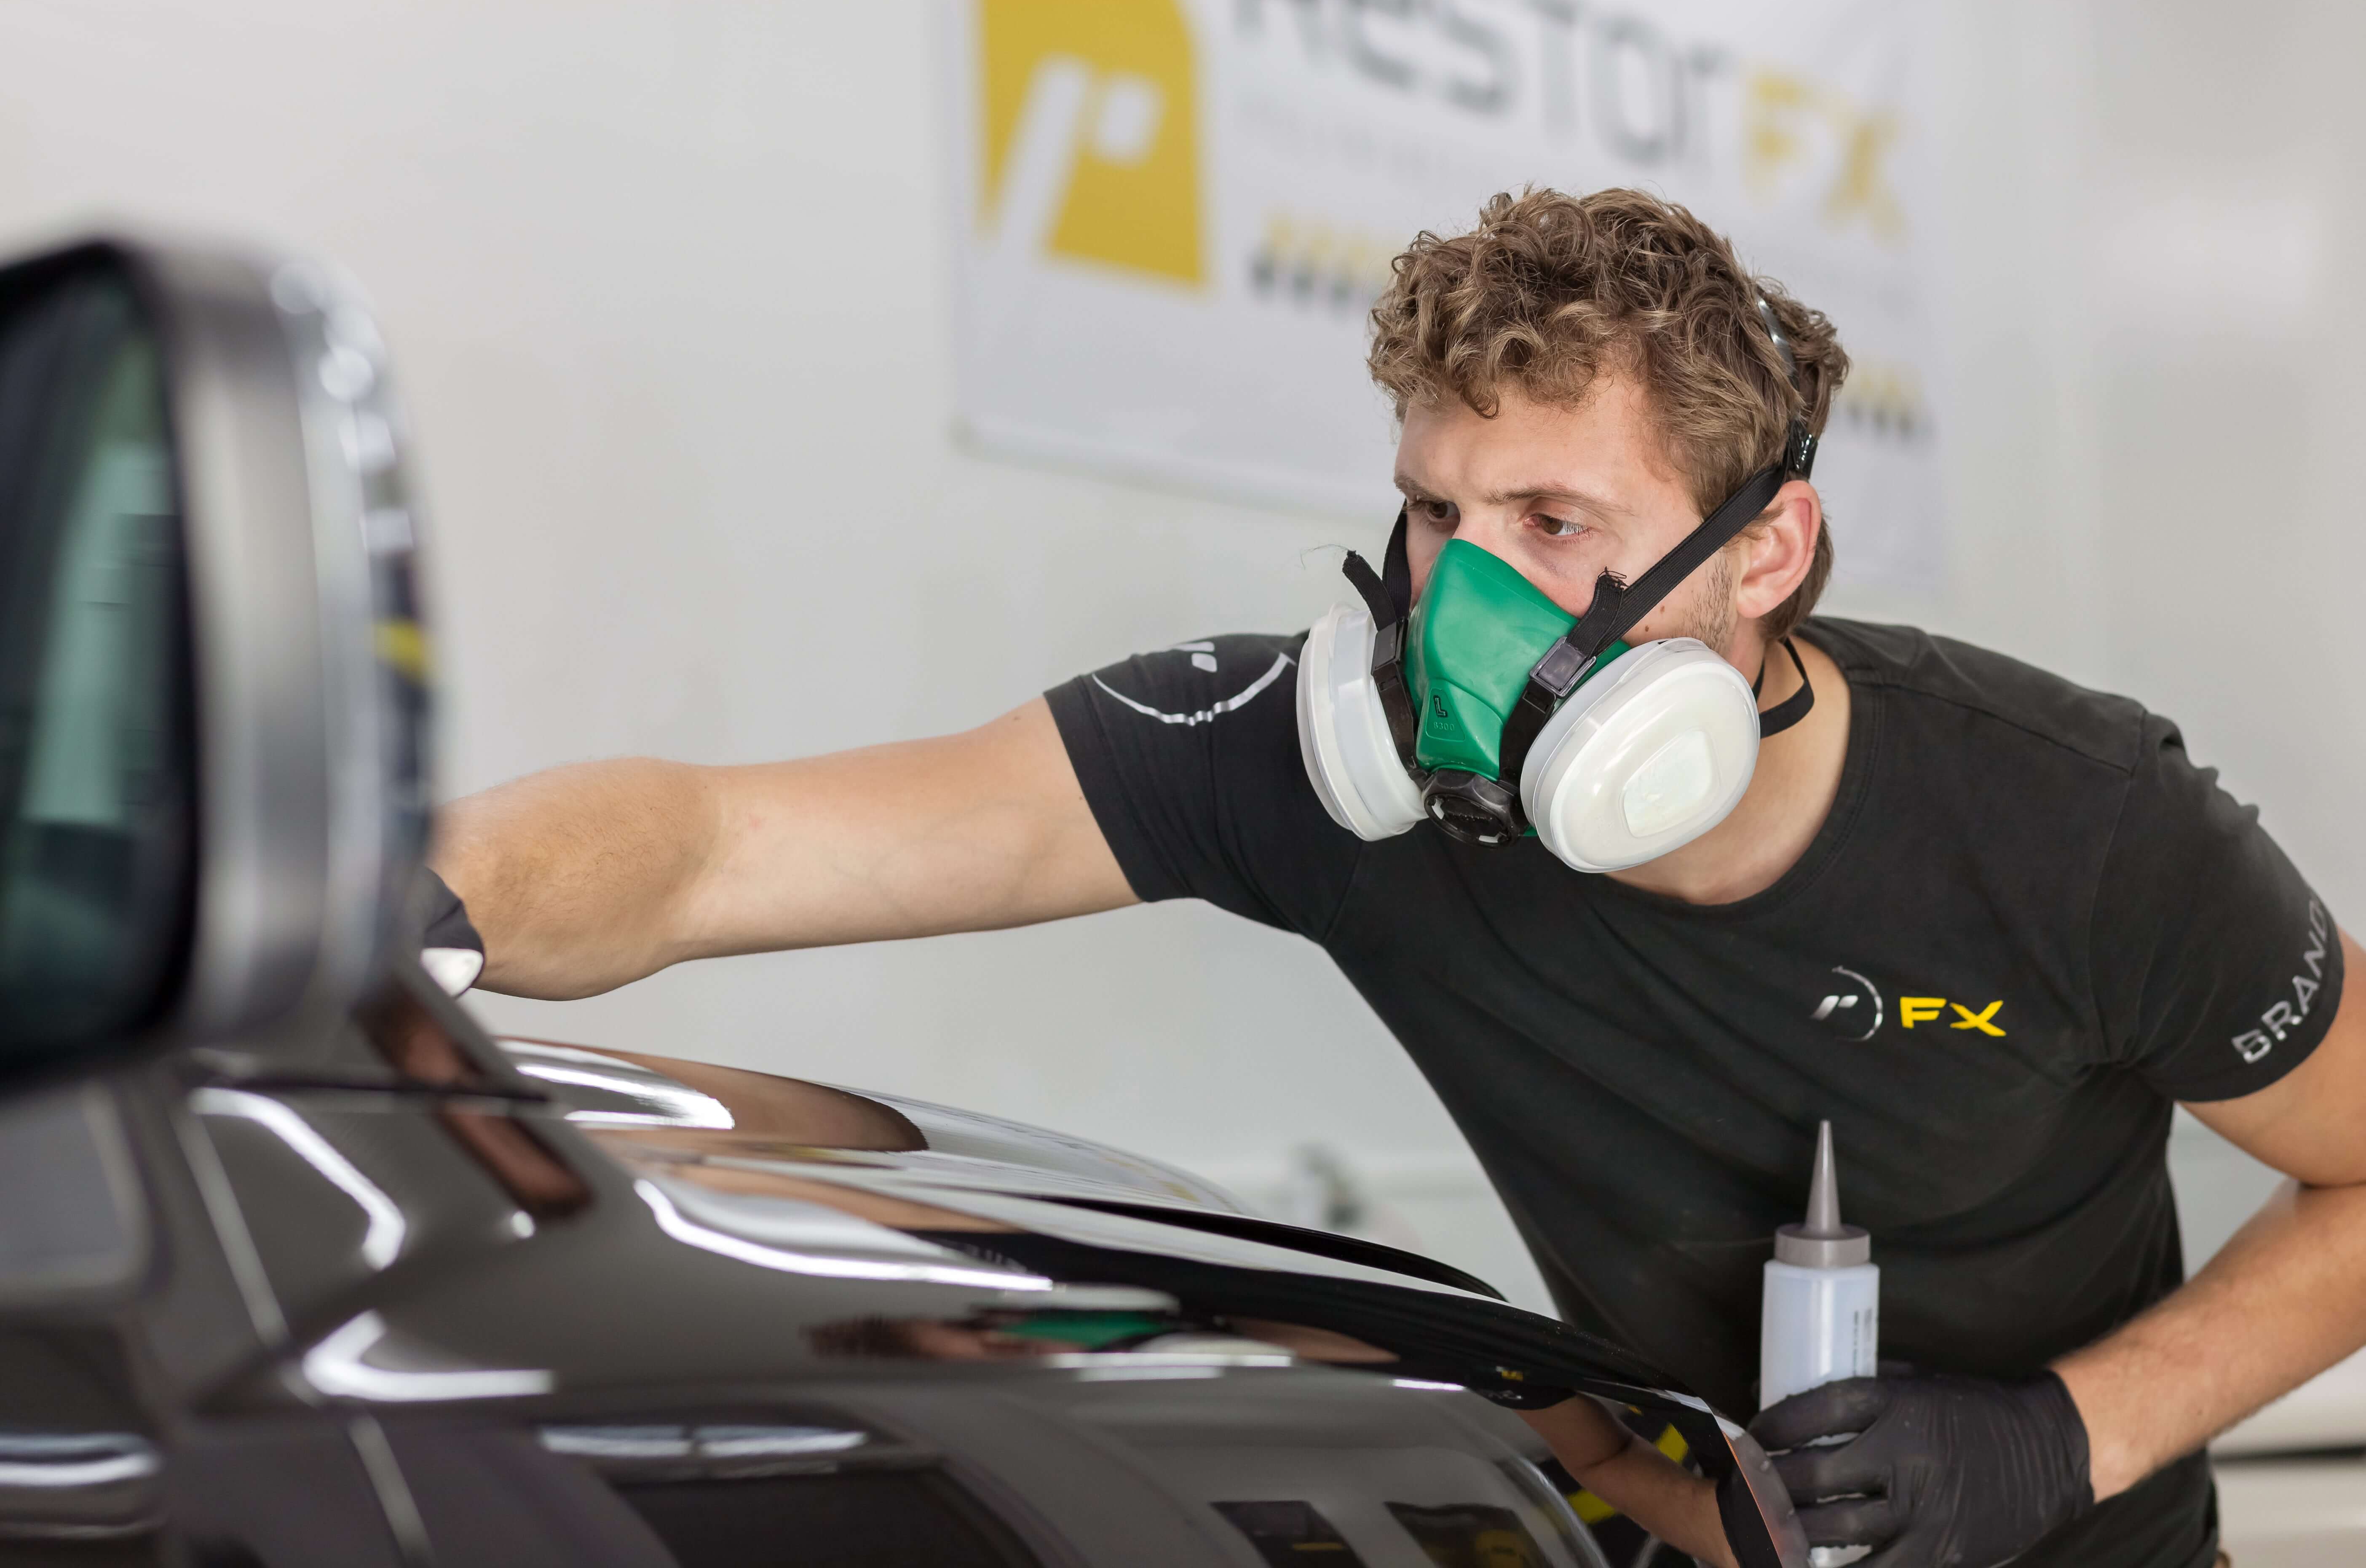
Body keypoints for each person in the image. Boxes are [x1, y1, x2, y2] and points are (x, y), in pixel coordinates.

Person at [431, 188, 2366, 1568]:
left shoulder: (2077, 822)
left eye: (1554, 521)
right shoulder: (1322, 770)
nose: (1461, 599)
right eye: (1438, 512)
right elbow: (709, 849)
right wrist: (385, 913)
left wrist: (2062, 1440)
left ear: (1765, 554)